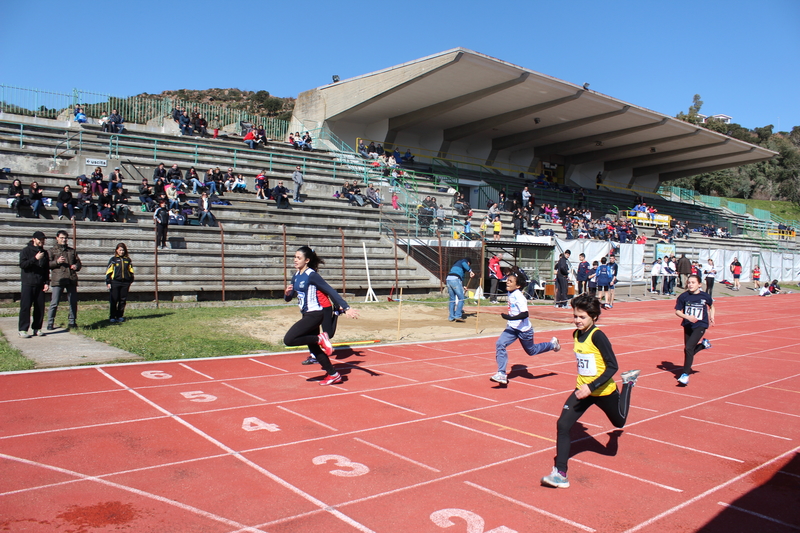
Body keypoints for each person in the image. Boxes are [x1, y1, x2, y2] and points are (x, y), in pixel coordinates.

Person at [541, 294, 640, 489]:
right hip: (582, 389)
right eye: (575, 316)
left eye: (582, 317)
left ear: (593, 317)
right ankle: (560, 473)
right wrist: (584, 386)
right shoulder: (576, 334)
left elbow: (613, 366)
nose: (577, 320)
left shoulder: (598, 336)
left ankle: (628, 384)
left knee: (619, 423)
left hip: (603, 391)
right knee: (563, 424)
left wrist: (592, 387)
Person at [284, 246, 359, 385]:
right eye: (294, 257)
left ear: (307, 260)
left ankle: (321, 338)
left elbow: (330, 290)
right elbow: (289, 298)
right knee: (313, 347)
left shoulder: (312, 275)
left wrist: (346, 307)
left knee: (289, 339)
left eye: (298, 258)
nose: (295, 260)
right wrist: (287, 293)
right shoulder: (296, 275)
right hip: (306, 313)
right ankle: (333, 374)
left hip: (315, 314)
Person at [490, 273, 561, 385]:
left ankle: (553, 345)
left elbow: (525, 314)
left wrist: (509, 317)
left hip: (524, 330)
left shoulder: (519, 297)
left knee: (531, 351)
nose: (507, 282)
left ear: (517, 286)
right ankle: (502, 374)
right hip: (512, 328)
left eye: (510, 281)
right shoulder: (510, 292)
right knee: (500, 343)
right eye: (507, 280)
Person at [673, 274, 714, 386]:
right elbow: (677, 311)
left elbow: (712, 306)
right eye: (689, 282)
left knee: (688, 348)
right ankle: (703, 345)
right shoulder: (683, 296)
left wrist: (712, 316)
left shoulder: (705, 296)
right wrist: (687, 317)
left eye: (693, 282)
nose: (690, 284)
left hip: (701, 324)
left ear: (699, 284)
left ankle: (685, 375)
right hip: (688, 325)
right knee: (688, 350)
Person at [47, 230, 81, 330]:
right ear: (57, 238)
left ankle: (72, 321)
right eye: (62, 238)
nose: (64, 240)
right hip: (58, 279)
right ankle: (50, 322)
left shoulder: (71, 250)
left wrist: (76, 266)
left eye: (65, 238)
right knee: (54, 302)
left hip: (71, 278)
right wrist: (57, 262)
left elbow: (78, 263)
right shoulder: (52, 250)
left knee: (72, 301)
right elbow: (47, 264)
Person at [18, 231, 50, 338]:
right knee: (26, 307)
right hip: (28, 282)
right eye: (40, 239)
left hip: (39, 283)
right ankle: (23, 329)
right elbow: (23, 265)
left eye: (43, 240)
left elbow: (46, 269)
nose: (42, 241)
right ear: (34, 239)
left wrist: (46, 282)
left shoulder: (44, 253)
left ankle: (37, 328)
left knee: (40, 307)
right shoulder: (25, 251)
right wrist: (35, 259)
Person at [106, 242, 134, 323]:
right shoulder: (113, 260)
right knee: (114, 300)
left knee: (122, 300)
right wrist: (108, 282)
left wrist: (130, 280)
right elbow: (109, 271)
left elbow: (131, 270)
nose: (122, 252)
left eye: (123, 250)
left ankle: (120, 316)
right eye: (120, 250)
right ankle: (112, 316)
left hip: (125, 283)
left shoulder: (128, 260)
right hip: (115, 282)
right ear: (117, 251)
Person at [446, 257, 474, 322]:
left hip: (448, 279)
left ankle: (451, 317)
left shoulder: (456, 265)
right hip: (455, 279)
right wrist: (470, 271)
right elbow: (464, 264)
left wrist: (463, 286)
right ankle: (458, 315)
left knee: (452, 299)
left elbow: (459, 277)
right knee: (461, 298)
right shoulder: (463, 261)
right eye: (468, 265)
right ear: (468, 263)